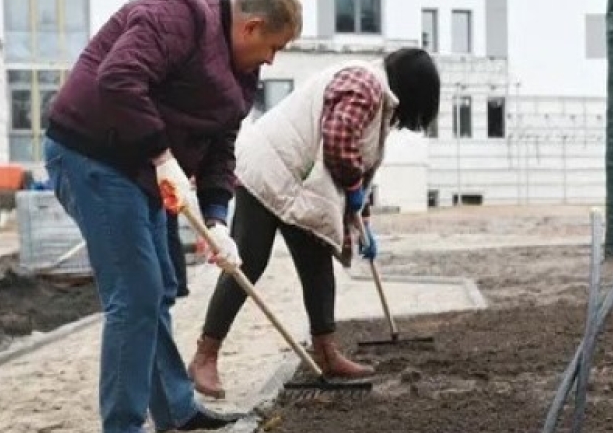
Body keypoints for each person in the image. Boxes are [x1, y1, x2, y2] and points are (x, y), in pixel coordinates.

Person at [44, 0, 302, 433]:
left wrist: (218, 218)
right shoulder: (179, 16)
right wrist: (163, 154)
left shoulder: (240, 77)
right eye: (274, 47)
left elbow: (221, 149)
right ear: (251, 27)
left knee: (159, 287)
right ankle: (121, 430)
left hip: (143, 168)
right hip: (92, 156)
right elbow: (118, 77)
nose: (271, 61)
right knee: (135, 291)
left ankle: (176, 408)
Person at [187, 48, 442, 400]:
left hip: (301, 185)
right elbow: (339, 144)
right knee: (247, 262)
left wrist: (361, 218)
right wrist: (352, 191)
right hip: (268, 172)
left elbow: (359, 163)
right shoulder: (365, 85)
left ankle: (326, 353)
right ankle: (205, 356)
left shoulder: (378, 94)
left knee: (317, 264)